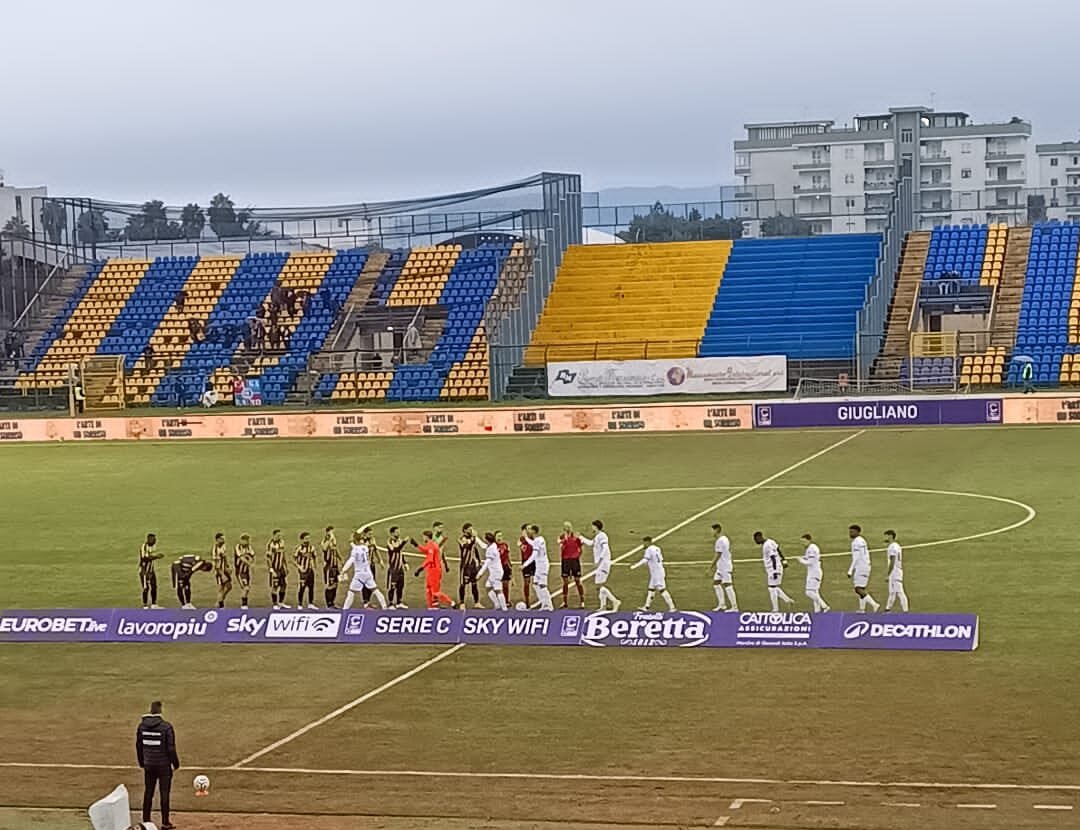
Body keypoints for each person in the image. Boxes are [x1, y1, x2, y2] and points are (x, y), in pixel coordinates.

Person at [136, 700, 179, 830]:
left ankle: (146, 821)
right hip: (164, 765)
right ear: (161, 711)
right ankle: (165, 822)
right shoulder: (166, 727)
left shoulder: (142, 726)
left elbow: (139, 746)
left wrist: (142, 762)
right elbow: (171, 748)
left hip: (149, 764)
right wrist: (175, 763)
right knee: (164, 793)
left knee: (148, 792)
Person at [580, 519, 620, 611]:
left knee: (599, 585)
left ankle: (615, 601)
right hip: (601, 563)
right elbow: (591, 543)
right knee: (599, 585)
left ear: (595, 526)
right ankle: (603, 606)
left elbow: (605, 548)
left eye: (592, 526)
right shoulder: (598, 536)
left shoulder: (602, 536)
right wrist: (581, 538)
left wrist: (599, 561)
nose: (591, 527)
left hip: (603, 563)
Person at [341, 529, 387, 609]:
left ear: (355, 540)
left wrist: (343, 570)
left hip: (359, 574)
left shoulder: (355, 550)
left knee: (351, 592)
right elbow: (356, 545)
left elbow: (350, 561)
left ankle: (345, 610)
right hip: (368, 573)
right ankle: (384, 606)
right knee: (376, 590)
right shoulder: (365, 548)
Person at [630, 536, 676, 611]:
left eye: (644, 543)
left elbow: (645, 560)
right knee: (651, 589)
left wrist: (634, 566)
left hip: (657, 574)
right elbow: (659, 559)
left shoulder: (649, 550)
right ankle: (646, 607)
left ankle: (672, 607)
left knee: (662, 590)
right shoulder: (657, 548)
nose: (643, 545)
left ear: (648, 542)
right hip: (657, 572)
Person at [412, 530, 455, 608]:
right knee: (428, 589)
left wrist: (420, 568)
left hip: (434, 571)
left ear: (426, 537)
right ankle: (431, 607)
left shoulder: (432, 545)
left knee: (435, 592)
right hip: (431, 570)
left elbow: (429, 559)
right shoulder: (431, 544)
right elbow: (426, 551)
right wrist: (417, 545)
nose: (423, 538)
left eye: (423, 536)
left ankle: (451, 602)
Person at [754, 531, 794, 612]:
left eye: (756, 539)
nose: (755, 541)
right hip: (776, 568)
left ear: (759, 537)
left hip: (774, 568)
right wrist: (784, 560)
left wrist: (774, 571)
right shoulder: (771, 541)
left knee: (772, 588)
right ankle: (788, 600)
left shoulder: (766, 546)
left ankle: (776, 609)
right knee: (773, 587)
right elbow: (778, 550)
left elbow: (773, 558)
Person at [847, 524, 881, 612]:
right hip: (865, 566)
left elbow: (856, 557)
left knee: (858, 589)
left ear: (858, 532)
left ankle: (874, 604)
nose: (850, 533)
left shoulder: (856, 542)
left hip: (861, 567)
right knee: (861, 588)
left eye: (852, 532)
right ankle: (862, 609)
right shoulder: (862, 540)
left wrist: (850, 570)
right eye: (850, 532)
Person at [521, 524, 554, 610]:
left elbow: (534, 555)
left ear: (533, 531)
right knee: (535, 584)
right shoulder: (540, 539)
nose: (528, 531)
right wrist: (526, 538)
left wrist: (524, 565)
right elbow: (533, 543)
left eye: (530, 530)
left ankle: (549, 606)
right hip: (539, 566)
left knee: (543, 585)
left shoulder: (537, 541)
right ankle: (543, 603)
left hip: (542, 565)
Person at [796, 533, 831, 613]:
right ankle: (817, 611)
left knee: (809, 592)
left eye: (804, 542)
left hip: (814, 573)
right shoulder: (810, 548)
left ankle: (825, 606)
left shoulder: (812, 549)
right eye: (802, 542)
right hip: (814, 572)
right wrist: (804, 558)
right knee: (815, 592)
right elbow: (810, 558)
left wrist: (801, 560)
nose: (803, 544)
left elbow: (811, 562)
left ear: (809, 540)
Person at [710, 523, 738, 612]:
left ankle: (734, 607)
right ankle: (722, 604)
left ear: (717, 530)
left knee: (728, 585)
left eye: (712, 530)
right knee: (716, 583)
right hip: (722, 567)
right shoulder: (725, 539)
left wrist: (711, 566)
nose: (711, 532)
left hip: (724, 567)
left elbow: (718, 554)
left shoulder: (720, 541)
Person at [476, 531, 508, 610]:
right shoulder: (493, 545)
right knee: (488, 587)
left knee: (498, 590)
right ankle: (497, 604)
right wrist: (476, 537)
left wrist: (479, 574)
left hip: (496, 573)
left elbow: (487, 563)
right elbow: (483, 546)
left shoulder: (491, 550)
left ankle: (504, 609)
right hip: (495, 572)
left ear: (487, 540)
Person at [559, 521, 585, 608]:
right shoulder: (562, 537)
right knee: (565, 582)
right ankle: (565, 602)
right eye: (566, 527)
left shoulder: (576, 537)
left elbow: (580, 546)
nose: (567, 528)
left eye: (568, 527)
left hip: (574, 561)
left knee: (578, 581)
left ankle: (582, 601)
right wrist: (564, 540)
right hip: (565, 561)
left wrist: (578, 555)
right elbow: (560, 545)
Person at [458, 524, 483, 608]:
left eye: (472, 529)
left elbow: (474, 549)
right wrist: (473, 538)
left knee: (474, 584)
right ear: (464, 530)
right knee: (463, 584)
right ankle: (462, 603)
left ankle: (477, 602)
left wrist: (479, 561)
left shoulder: (472, 539)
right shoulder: (462, 539)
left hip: (472, 565)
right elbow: (467, 547)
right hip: (465, 566)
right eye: (469, 529)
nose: (471, 530)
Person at [884, 529, 909, 612]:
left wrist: (888, 574)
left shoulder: (892, 547)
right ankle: (888, 609)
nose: (885, 538)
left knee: (899, 591)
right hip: (896, 571)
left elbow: (893, 561)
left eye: (887, 536)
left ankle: (905, 611)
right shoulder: (897, 546)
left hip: (895, 572)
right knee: (892, 591)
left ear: (891, 536)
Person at [266, 529, 291, 610]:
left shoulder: (282, 542)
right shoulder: (270, 545)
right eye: (278, 535)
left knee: (284, 585)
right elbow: (268, 558)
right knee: (275, 586)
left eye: (280, 535)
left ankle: (280, 602)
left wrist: (286, 566)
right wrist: (271, 570)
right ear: (274, 535)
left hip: (281, 568)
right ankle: (274, 604)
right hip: (275, 568)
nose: (279, 537)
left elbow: (283, 555)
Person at [384, 527, 408, 608]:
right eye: (396, 532)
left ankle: (399, 602)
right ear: (392, 533)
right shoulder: (389, 542)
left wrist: (405, 563)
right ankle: (390, 603)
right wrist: (404, 542)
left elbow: (401, 553)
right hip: (393, 568)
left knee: (401, 586)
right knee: (393, 586)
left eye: (399, 531)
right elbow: (396, 550)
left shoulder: (399, 540)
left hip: (400, 567)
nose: (398, 533)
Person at [139, 533, 164, 609]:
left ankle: (154, 604)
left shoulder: (153, 547)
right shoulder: (144, 547)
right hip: (144, 571)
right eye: (153, 539)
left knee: (154, 587)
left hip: (151, 571)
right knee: (146, 588)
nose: (155, 541)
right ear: (149, 539)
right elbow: (144, 558)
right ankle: (145, 605)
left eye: (155, 539)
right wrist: (156, 557)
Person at [295, 531, 318, 609]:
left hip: (310, 570)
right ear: (302, 539)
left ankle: (311, 603)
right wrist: (299, 566)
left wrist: (315, 566)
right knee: (302, 587)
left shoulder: (312, 547)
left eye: (308, 538)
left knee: (311, 587)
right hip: (303, 571)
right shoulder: (299, 548)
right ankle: (300, 604)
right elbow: (293, 558)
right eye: (306, 538)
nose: (308, 540)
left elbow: (314, 557)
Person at [321, 526, 342, 609]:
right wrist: (330, 539)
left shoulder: (333, 541)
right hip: (328, 567)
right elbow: (324, 548)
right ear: (327, 532)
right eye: (331, 532)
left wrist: (340, 558)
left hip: (335, 566)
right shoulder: (325, 541)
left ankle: (332, 602)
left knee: (335, 584)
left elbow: (335, 550)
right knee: (329, 585)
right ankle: (328, 604)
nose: (333, 534)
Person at [234, 533, 255, 609]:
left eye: (248, 540)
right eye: (245, 540)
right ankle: (244, 605)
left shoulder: (249, 547)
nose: (247, 542)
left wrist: (251, 561)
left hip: (246, 572)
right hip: (240, 572)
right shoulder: (238, 547)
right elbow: (241, 558)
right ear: (241, 540)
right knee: (245, 588)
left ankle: (245, 604)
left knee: (247, 588)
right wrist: (250, 564)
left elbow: (252, 555)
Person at [211, 532, 232, 608]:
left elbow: (225, 557)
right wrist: (222, 575)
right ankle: (220, 606)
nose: (224, 540)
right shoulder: (216, 550)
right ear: (217, 539)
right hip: (219, 572)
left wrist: (227, 566)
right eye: (222, 539)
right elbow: (216, 565)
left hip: (224, 570)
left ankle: (220, 600)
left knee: (229, 587)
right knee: (221, 588)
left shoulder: (223, 546)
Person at [517, 523, 535, 606]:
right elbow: (523, 549)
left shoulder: (535, 539)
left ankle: (543, 599)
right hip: (526, 562)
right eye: (528, 528)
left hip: (535, 562)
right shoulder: (521, 540)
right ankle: (527, 601)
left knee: (537, 582)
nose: (530, 530)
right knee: (526, 582)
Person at [496, 530, 513, 606]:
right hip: (497, 568)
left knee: (505, 585)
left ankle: (506, 601)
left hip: (505, 567)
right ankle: (498, 602)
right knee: (497, 586)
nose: (500, 538)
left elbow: (508, 557)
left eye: (501, 536)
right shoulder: (493, 546)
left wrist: (510, 566)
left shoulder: (505, 545)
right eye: (498, 536)